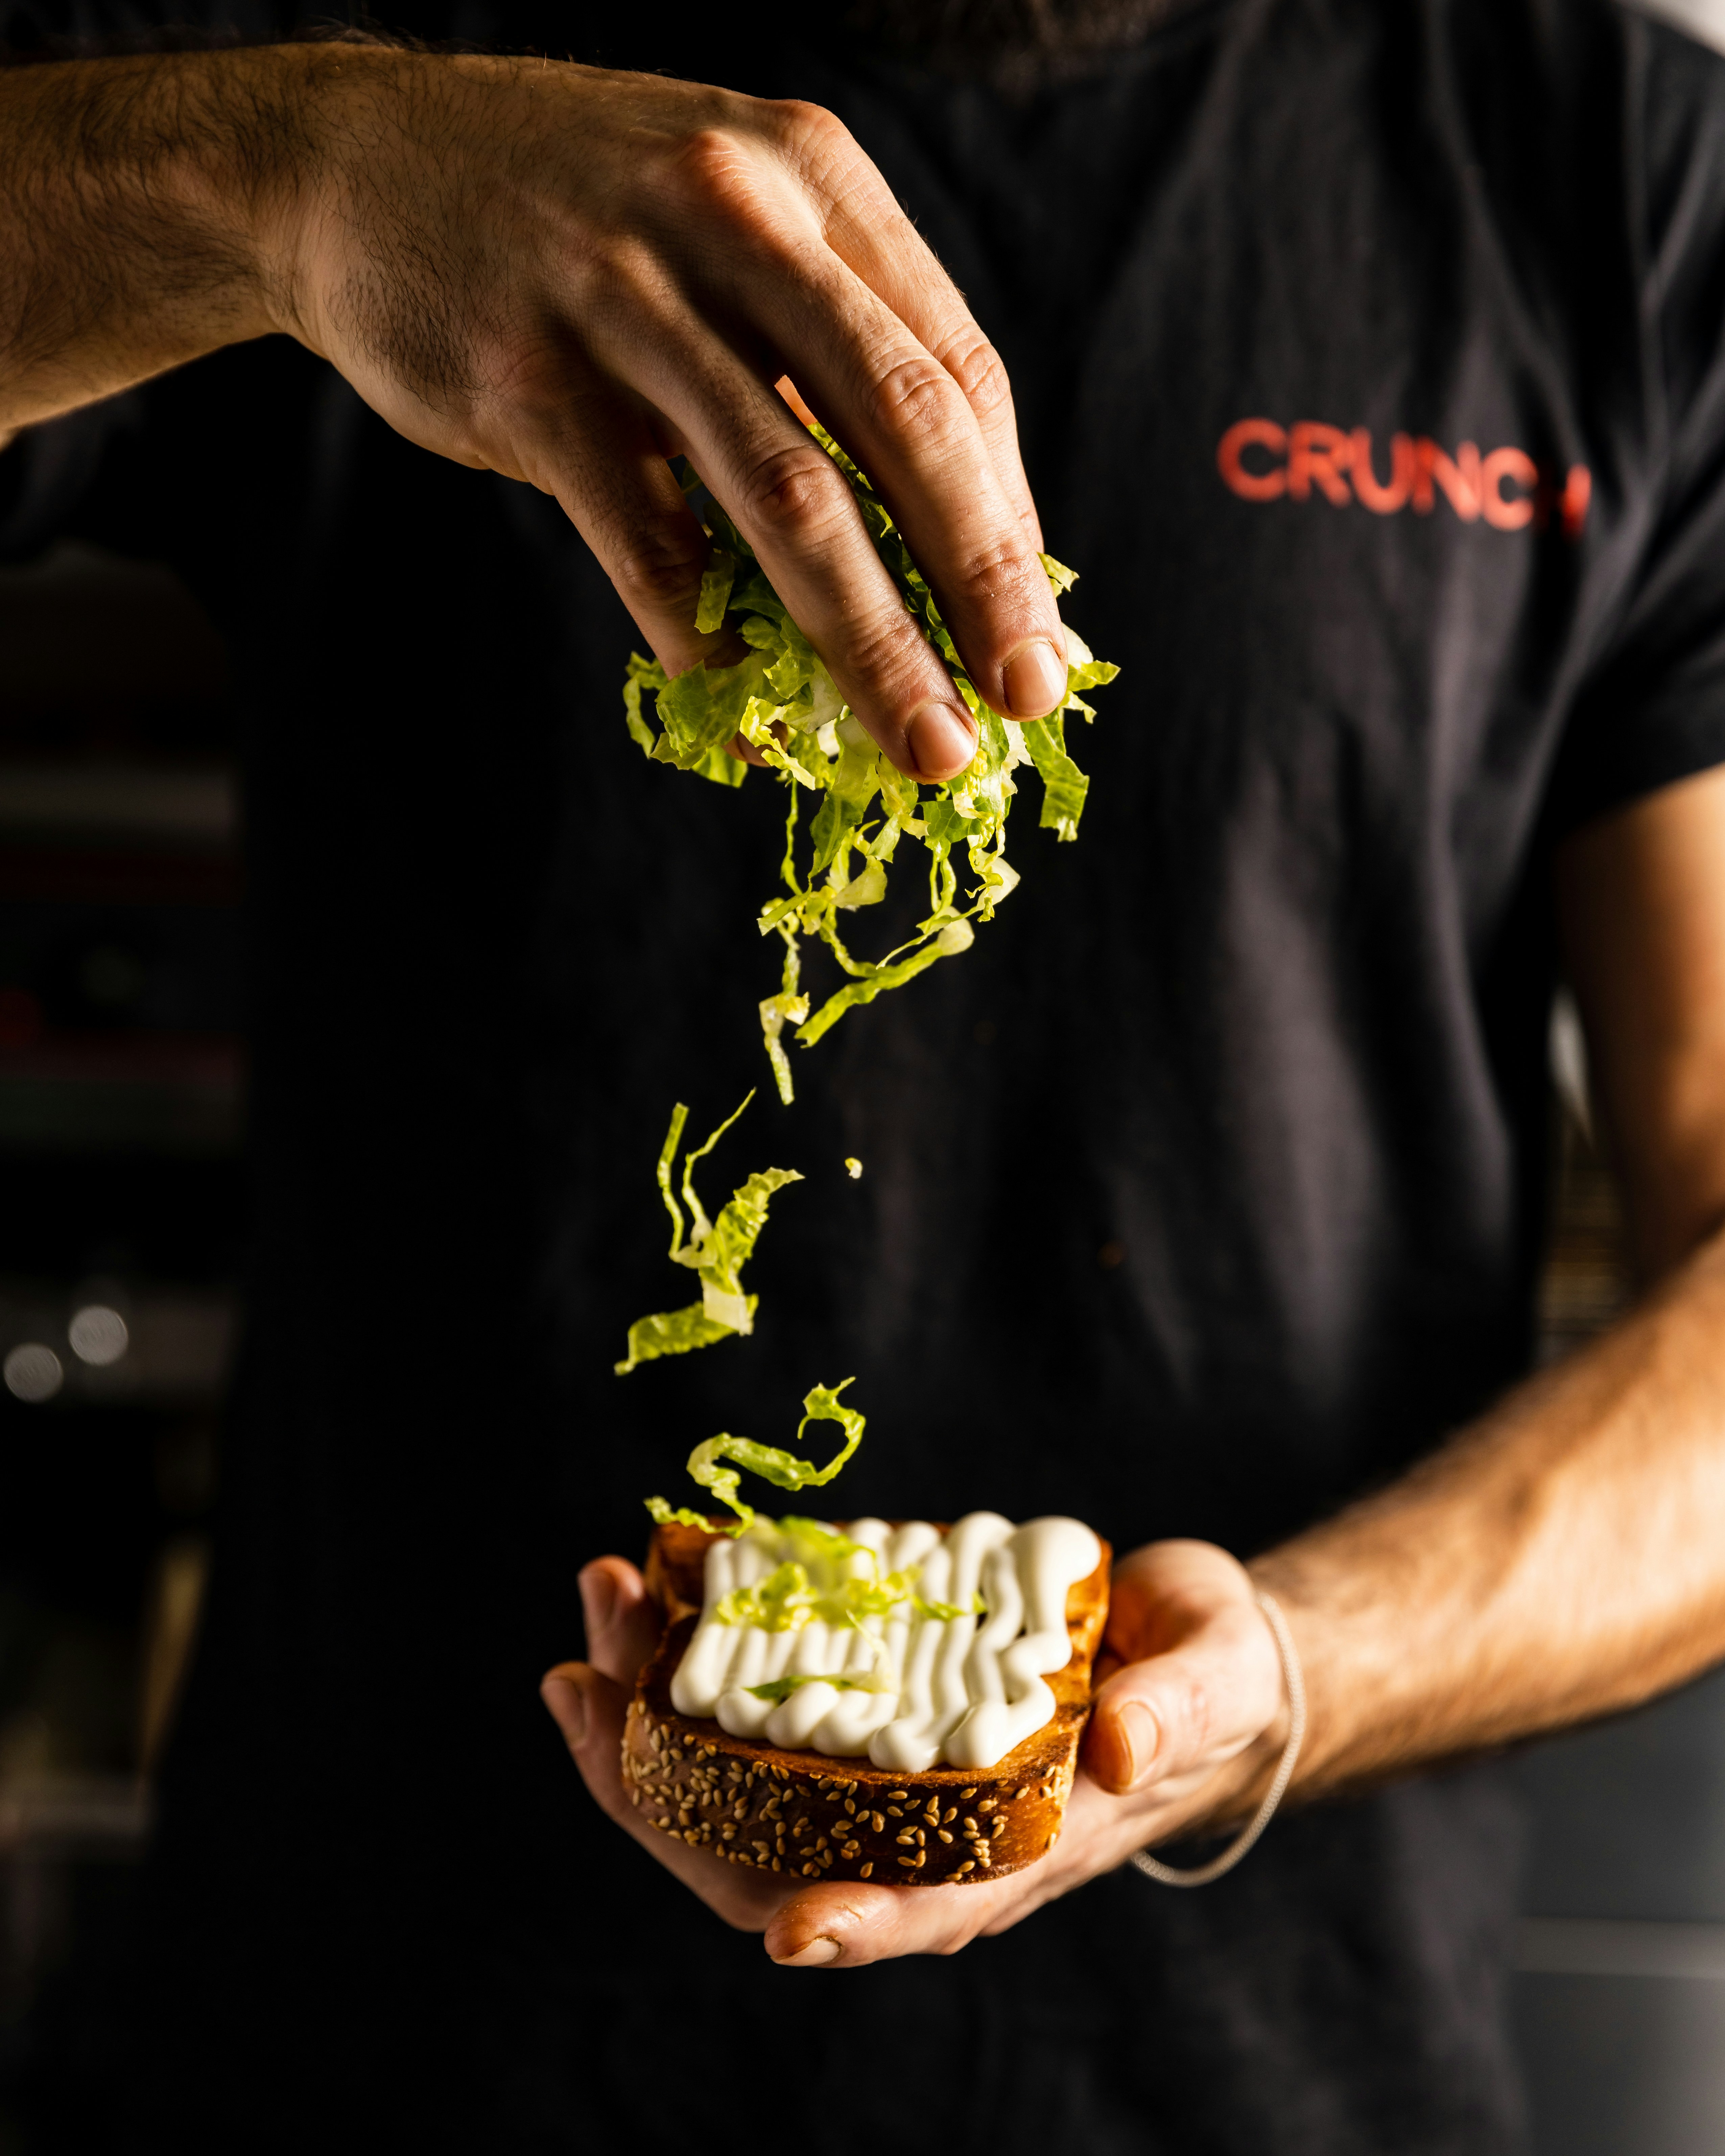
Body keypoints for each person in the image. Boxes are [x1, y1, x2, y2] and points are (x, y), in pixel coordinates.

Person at [6, 0, 1725, 2147]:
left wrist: (1289, 1670)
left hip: (1272, 2073)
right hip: (374, 2032)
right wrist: (272, 181)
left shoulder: (1619, 173)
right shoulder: (345, 49)